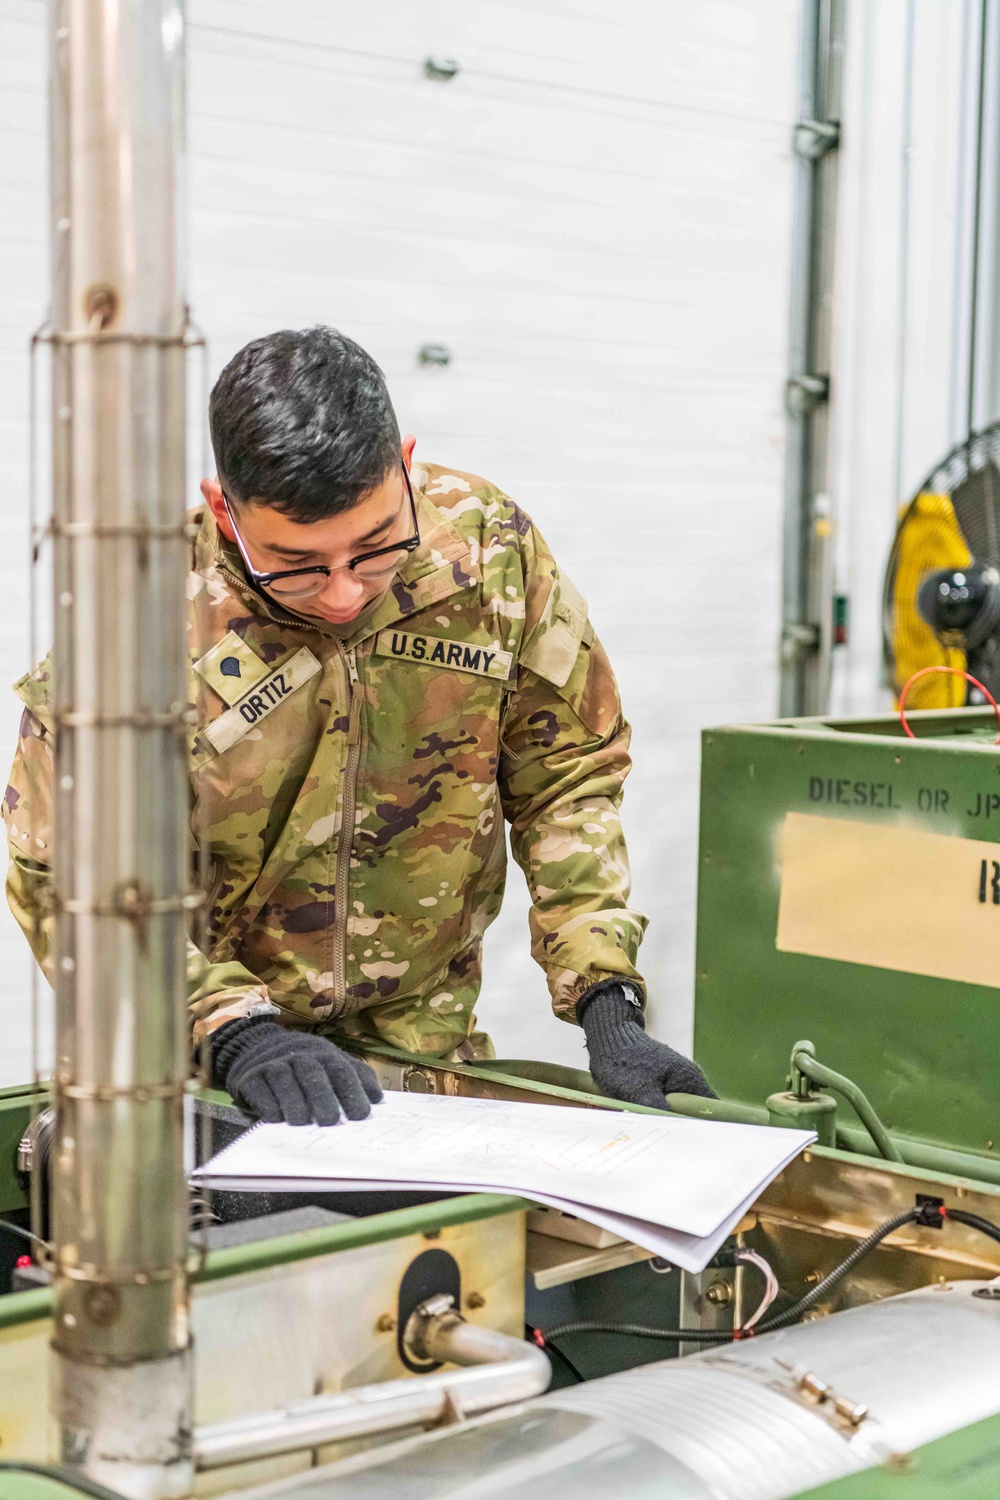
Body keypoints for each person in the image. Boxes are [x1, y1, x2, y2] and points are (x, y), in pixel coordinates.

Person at [3, 326, 714, 1125]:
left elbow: (567, 776)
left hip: (420, 1060)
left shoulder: (488, 552)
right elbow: (62, 871)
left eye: (375, 550)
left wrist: (605, 998)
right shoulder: (141, 618)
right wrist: (227, 1029)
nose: (343, 594)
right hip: (200, 1073)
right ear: (223, 509)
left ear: (404, 467)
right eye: (297, 566)